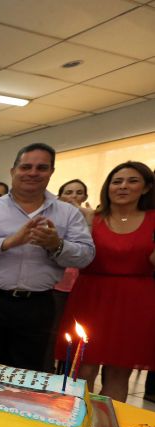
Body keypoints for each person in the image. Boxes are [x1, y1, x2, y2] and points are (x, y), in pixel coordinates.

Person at [0, 143, 94, 372]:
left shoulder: (68, 213)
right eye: (26, 167)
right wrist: (9, 242)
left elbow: (86, 256)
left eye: (41, 167)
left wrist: (56, 245)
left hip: (37, 306)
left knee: (26, 371)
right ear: (13, 171)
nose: (33, 173)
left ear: (51, 172)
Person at [56, 162, 155, 402]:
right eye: (117, 181)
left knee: (119, 372)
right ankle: (75, 423)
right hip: (90, 296)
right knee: (82, 368)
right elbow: (76, 257)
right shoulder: (91, 218)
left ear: (145, 188)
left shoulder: (153, 219)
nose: (123, 187)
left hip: (135, 300)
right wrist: (87, 224)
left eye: (132, 181)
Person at [43, 179, 93, 372]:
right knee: (52, 333)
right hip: (57, 286)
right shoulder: (55, 220)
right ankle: (48, 372)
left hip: (82, 287)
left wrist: (88, 219)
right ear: (60, 196)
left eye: (79, 192)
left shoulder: (92, 219)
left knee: (75, 333)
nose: (74, 197)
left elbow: (90, 251)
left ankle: (68, 373)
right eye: (69, 192)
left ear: (86, 197)